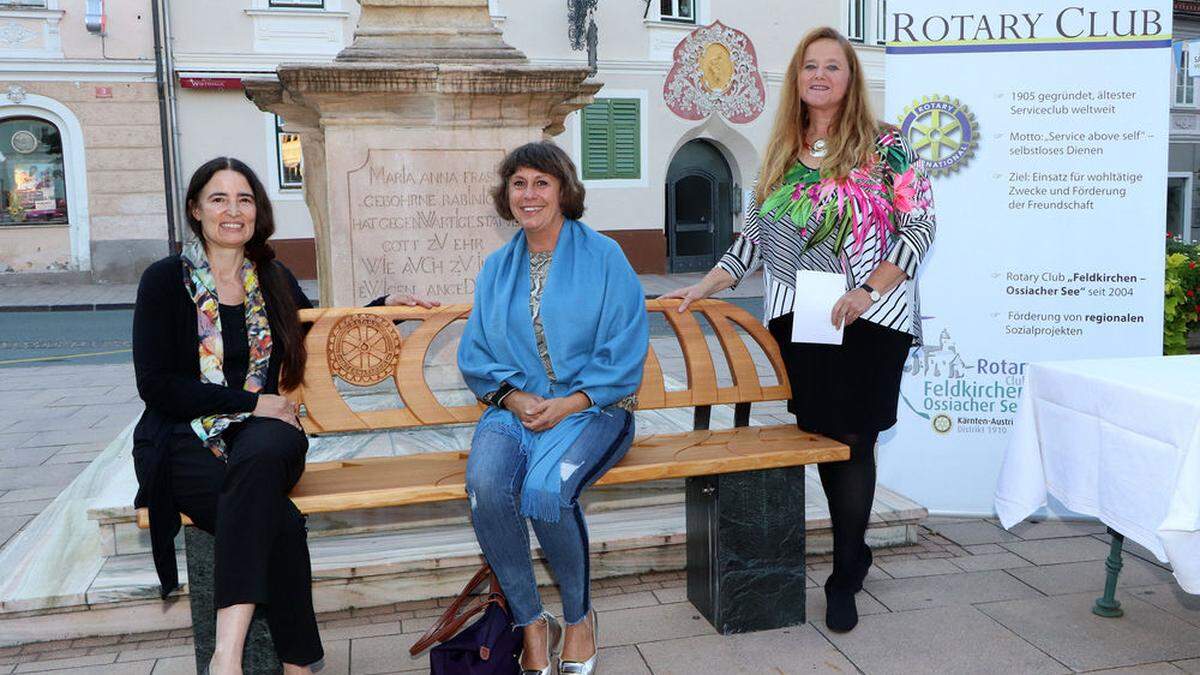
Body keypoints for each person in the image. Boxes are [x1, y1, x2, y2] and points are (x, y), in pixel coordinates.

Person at [662, 27, 936, 633]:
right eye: (809, 65)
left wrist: (866, 291)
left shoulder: (888, 146)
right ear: (798, 79)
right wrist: (704, 285)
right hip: (803, 319)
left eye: (832, 66)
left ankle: (844, 577)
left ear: (850, 78)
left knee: (854, 438)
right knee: (822, 434)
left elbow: (919, 229)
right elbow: (753, 236)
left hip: (871, 317)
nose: (820, 75)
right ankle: (853, 548)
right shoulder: (784, 151)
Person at [132, 157, 438, 674]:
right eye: (219, 198)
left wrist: (385, 309)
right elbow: (157, 385)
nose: (234, 210)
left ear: (259, 210)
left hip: (266, 435)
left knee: (259, 462)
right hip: (183, 437)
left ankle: (225, 658)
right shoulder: (165, 281)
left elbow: (312, 340)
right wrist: (254, 403)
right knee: (275, 518)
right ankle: (299, 664)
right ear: (196, 210)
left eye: (245, 199)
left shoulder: (272, 278)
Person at [457, 141, 649, 675]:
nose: (529, 194)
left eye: (541, 182)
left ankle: (580, 618)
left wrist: (570, 402)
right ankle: (530, 623)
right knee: (487, 487)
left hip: (595, 407)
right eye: (519, 183)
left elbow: (627, 345)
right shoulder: (497, 267)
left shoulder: (605, 256)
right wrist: (516, 398)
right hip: (516, 410)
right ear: (507, 195)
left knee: (545, 491)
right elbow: (475, 354)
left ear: (564, 190)